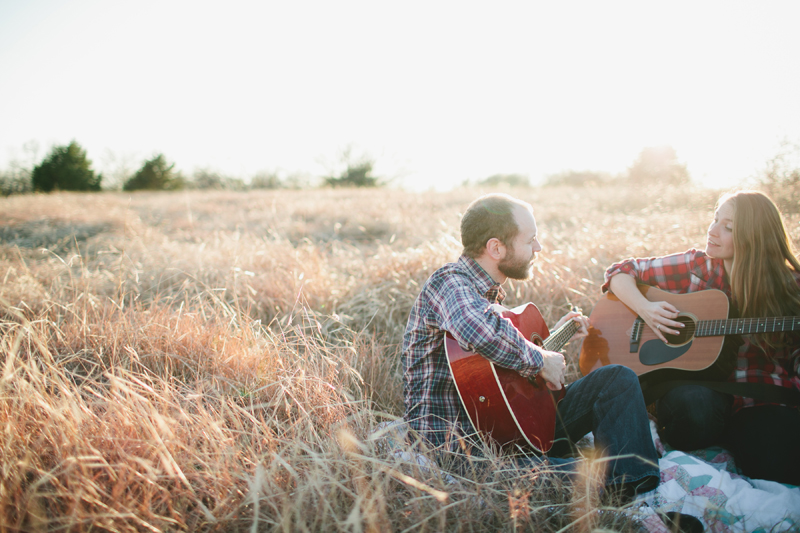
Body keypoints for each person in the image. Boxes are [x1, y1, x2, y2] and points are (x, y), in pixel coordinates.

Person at [402, 193, 659, 499]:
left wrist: (555, 338)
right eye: (531, 239)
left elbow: (500, 377)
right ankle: (619, 487)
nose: (538, 247)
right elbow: (480, 332)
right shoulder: (450, 283)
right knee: (584, 475)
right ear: (496, 248)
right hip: (468, 452)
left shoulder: (489, 296)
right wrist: (540, 360)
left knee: (617, 379)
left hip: (509, 428)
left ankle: (634, 481)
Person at [603, 189, 800, 485]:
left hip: (760, 398)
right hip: (703, 391)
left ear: (755, 236)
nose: (712, 230)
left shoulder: (791, 286)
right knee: (693, 406)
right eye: (715, 219)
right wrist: (646, 309)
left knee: (777, 464)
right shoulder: (699, 266)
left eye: (728, 227)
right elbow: (621, 271)